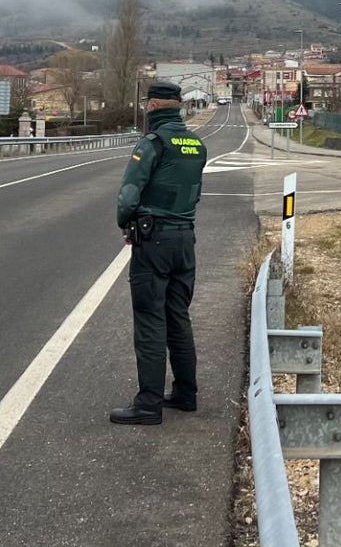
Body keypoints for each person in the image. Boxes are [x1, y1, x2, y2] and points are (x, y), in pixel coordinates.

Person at [110, 80, 208, 425]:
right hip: (185, 241)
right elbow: (193, 192)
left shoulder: (151, 144)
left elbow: (129, 195)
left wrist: (126, 223)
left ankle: (148, 404)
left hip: (154, 244)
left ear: (152, 107)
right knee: (178, 317)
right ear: (178, 106)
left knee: (151, 321)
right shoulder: (196, 145)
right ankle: (185, 393)